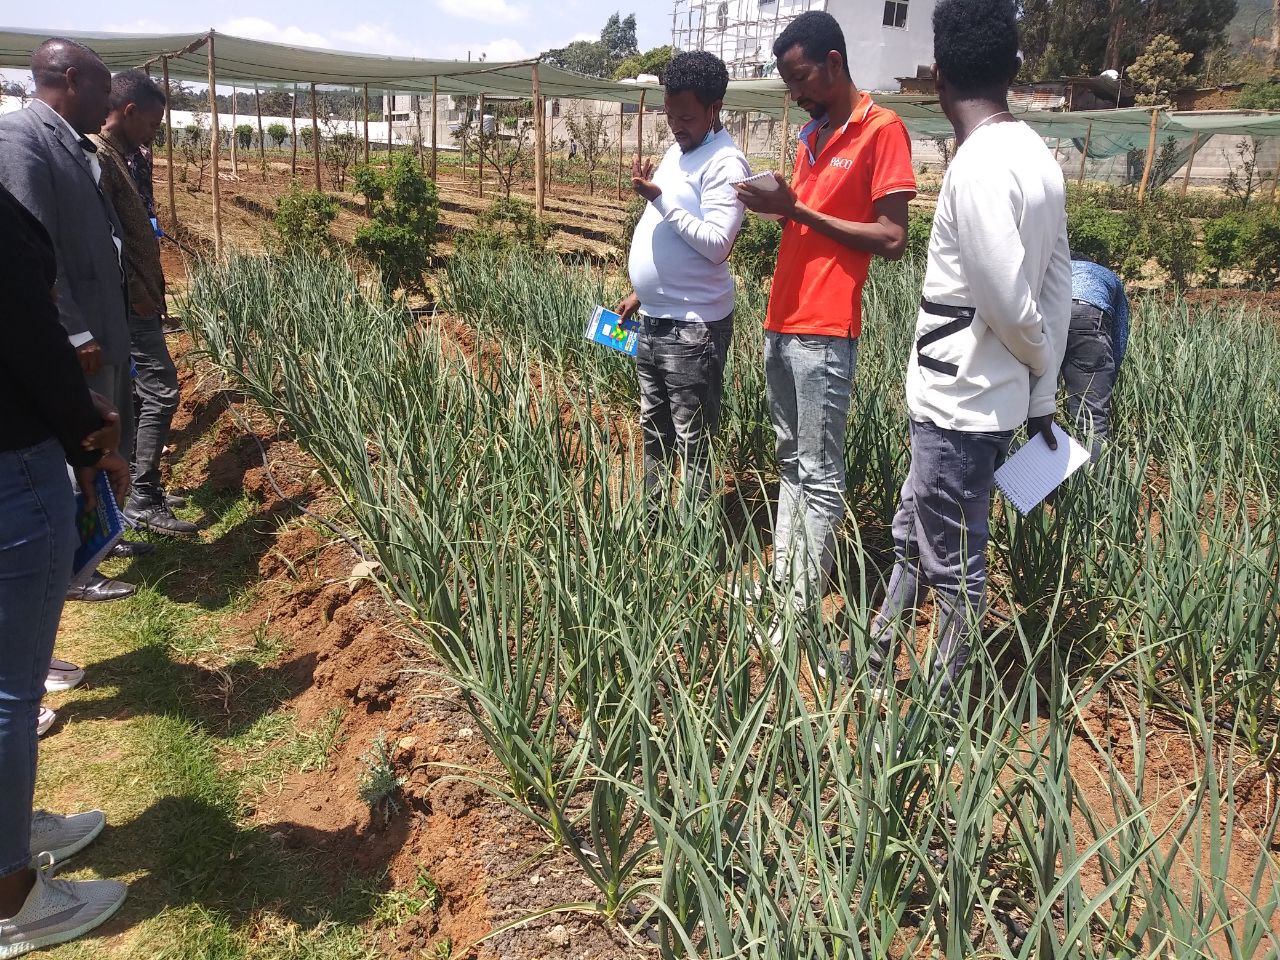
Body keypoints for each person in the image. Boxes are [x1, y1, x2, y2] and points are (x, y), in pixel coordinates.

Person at [849, 0, 1071, 703]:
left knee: (954, 564)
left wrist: (1033, 359)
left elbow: (1011, 303)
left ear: (936, 73)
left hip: (959, 401)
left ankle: (941, 710)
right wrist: (1041, 390)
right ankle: (879, 653)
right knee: (916, 529)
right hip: (987, 397)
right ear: (1013, 68)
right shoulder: (1038, 158)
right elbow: (1058, 287)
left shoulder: (976, 169)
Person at [735, 11, 917, 628]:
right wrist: (777, 207)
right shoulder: (812, 134)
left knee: (818, 469)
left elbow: (892, 237)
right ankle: (784, 583)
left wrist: (798, 210)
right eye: (788, 82)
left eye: (801, 77)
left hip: (825, 327)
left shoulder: (882, 130)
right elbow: (806, 220)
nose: (795, 92)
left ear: (834, 62)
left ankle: (801, 607)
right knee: (790, 459)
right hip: (782, 318)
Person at [0, 180, 130, 956]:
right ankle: (16, 899)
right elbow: (27, 335)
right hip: (10, 464)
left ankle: (12, 830)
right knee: (10, 689)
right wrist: (87, 432)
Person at [0, 38, 136, 602]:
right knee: (72, 452)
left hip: (98, 327)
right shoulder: (21, 139)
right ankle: (78, 572)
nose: (109, 105)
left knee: (93, 444)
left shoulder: (67, 142)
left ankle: (94, 547)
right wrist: (74, 329)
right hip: (72, 337)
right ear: (72, 79)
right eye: (103, 90)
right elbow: (30, 253)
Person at [615, 51, 750, 515]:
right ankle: (652, 518)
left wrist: (658, 199)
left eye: (686, 116)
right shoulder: (678, 152)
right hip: (656, 317)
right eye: (670, 115)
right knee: (653, 426)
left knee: (693, 438)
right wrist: (643, 291)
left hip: (693, 328)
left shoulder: (726, 164)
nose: (676, 125)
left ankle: (692, 536)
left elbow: (716, 245)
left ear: (714, 109)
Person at [93, 70, 197, 538]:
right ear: (129, 111)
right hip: (124, 301)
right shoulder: (99, 158)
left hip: (140, 298)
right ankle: (140, 495)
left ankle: (140, 486)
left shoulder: (127, 156)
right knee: (160, 390)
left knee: (140, 396)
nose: (155, 134)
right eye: (153, 124)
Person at [1063, 257, 1128, 455]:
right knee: (1091, 417)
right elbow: (1120, 333)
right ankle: (1093, 483)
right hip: (1088, 316)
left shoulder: (1054, 264)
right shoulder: (1108, 276)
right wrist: (1106, 374)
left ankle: (1023, 480)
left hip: (1046, 315)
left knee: (1031, 409)